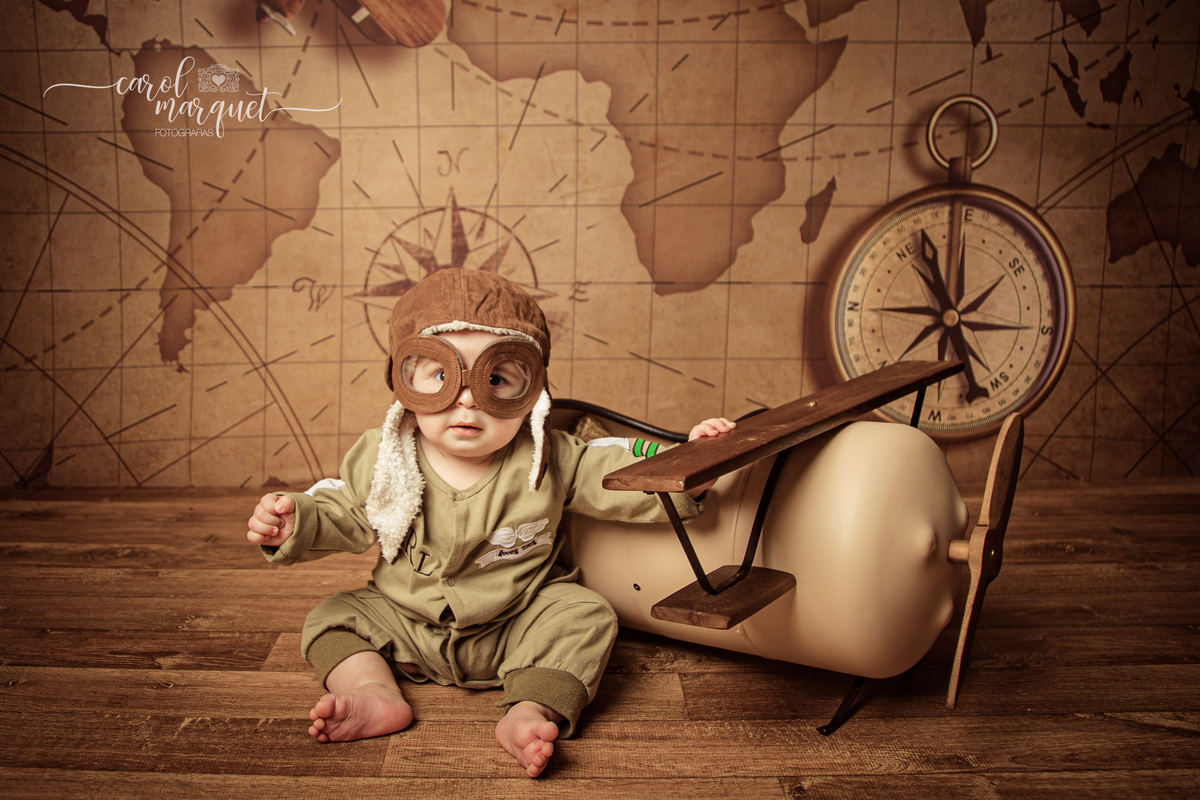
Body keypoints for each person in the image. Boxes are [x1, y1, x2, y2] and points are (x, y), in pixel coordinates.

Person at [246, 268, 734, 778]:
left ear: (534, 390)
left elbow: (618, 475)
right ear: (404, 380)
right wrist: (295, 520)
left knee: (585, 615)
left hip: (518, 618)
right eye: (439, 374)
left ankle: (530, 708)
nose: (467, 398)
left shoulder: (552, 456)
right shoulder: (385, 457)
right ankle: (372, 690)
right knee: (329, 617)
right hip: (405, 620)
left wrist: (688, 467)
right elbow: (345, 510)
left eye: (495, 378)